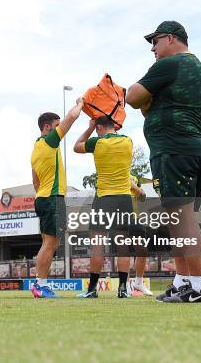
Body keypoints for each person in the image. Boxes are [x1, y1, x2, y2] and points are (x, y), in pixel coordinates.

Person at [126, 21, 201, 303]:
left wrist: (141, 98)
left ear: (172, 39)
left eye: (155, 41)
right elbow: (148, 107)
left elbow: (132, 97)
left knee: (183, 219)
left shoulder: (170, 64)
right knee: (177, 220)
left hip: (176, 149)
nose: (152, 48)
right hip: (190, 148)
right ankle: (183, 283)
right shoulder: (195, 67)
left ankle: (200, 287)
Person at [73, 116, 147, 298]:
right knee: (123, 246)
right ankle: (123, 289)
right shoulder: (128, 141)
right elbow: (126, 173)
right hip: (124, 198)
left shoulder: (97, 143)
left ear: (99, 127)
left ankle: (92, 289)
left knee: (98, 245)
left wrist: (89, 128)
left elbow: (77, 146)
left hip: (104, 198)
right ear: (113, 126)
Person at [30, 98, 84, 299]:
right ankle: (40, 285)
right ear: (47, 127)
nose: (58, 129)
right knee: (51, 244)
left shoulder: (36, 148)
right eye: (56, 126)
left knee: (50, 243)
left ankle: (40, 283)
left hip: (44, 196)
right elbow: (71, 117)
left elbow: (35, 181)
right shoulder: (48, 142)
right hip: (52, 198)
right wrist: (80, 103)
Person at [129, 175, 154, 296]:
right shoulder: (116, 174)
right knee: (123, 252)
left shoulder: (134, 177)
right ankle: (125, 285)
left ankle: (138, 282)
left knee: (142, 251)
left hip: (135, 218)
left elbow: (143, 197)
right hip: (119, 217)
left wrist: (134, 186)